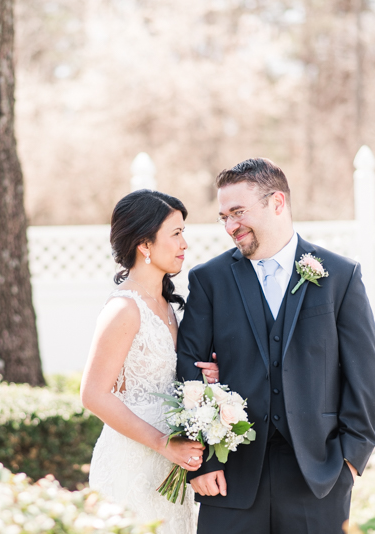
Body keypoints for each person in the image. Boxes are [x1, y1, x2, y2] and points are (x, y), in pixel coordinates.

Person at [176, 158, 375, 534]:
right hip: (229, 475)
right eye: (224, 216)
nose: (230, 226)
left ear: (278, 203)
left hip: (318, 476)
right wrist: (203, 462)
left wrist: (350, 459)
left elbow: (364, 372)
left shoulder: (339, 275)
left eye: (238, 212)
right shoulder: (209, 280)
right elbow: (188, 369)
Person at [81, 189, 220, 534]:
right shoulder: (123, 309)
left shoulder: (170, 306)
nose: (184, 243)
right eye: (175, 234)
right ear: (145, 244)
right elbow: (93, 394)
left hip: (169, 465)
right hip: (133, 459)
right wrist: (162, 443)